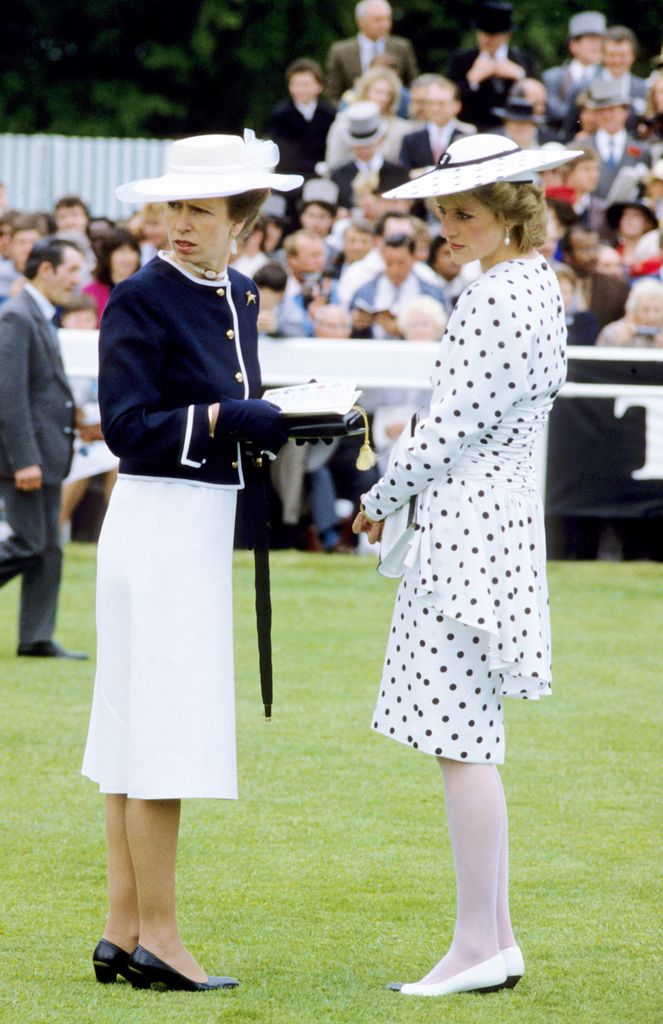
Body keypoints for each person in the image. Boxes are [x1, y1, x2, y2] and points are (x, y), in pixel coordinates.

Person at [352, 133, 578, 996]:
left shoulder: (499, 294)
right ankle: (495, 940)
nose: (447, 226)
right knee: (464, 735)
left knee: (460, 738)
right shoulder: (528, 284)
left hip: (471, 525)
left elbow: (452, 429)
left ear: (510, 213)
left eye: (464, 213)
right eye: (443, 212)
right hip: (490, 517)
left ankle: (477, 945)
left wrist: (379, 494)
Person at [80, 131, 301, 991]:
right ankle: (161, 942)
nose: (180, 223)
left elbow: (239, 399)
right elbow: (128, 428)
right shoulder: (141, 296)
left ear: (242, 221)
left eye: (200, 211)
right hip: (156, 523)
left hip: (202, 521)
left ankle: (123, 928)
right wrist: (220, 420)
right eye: (175, 206)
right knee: (156, 736)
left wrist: (282, 419)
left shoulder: (239, 292)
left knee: (139, 732)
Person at [0, 237, 87, 659]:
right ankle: (36, 636)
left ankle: (36, 637)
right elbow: (9, 395)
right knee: (30, 544)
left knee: (49, 549)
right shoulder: (18, 316)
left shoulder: (37, 314)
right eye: (71, 270)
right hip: (27, 459)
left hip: (47, 453)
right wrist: (25, 460)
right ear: (46, 269)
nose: (77, 280)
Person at [448, 2, 536, 132]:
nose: (487, 39)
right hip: (472, 128)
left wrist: (520, 76)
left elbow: (538, 99)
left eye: (493, 35)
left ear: (506, 36)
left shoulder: (523, 59)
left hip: (511, 129)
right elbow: (450, 97)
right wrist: (472, 80)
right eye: (483, 33)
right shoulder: (462, 59)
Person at [325, 0, 418, 104]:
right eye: (378, 20)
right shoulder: (340, 51)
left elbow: (412, 85)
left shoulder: (402, 47)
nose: (385, 25)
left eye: (388, 19)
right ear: (360, 22)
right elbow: (332, 94)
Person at [542, 11, 606, 133]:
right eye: (590, 40)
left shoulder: (607, 77)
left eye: (600, 41)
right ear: (573, 45)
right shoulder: (553, 77)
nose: (597, 46)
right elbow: (553, 112)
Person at [83, 228, 142, 324]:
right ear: (108, 256)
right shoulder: (91, 292)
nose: (127, 258)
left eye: (131, 251)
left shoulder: (146, 290)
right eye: (121, 251)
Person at [596, 277, 663, 348]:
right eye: (645, 310)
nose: (652, 316)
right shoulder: (613, 332)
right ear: (633, 310)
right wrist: (618, 344)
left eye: (657, 310)